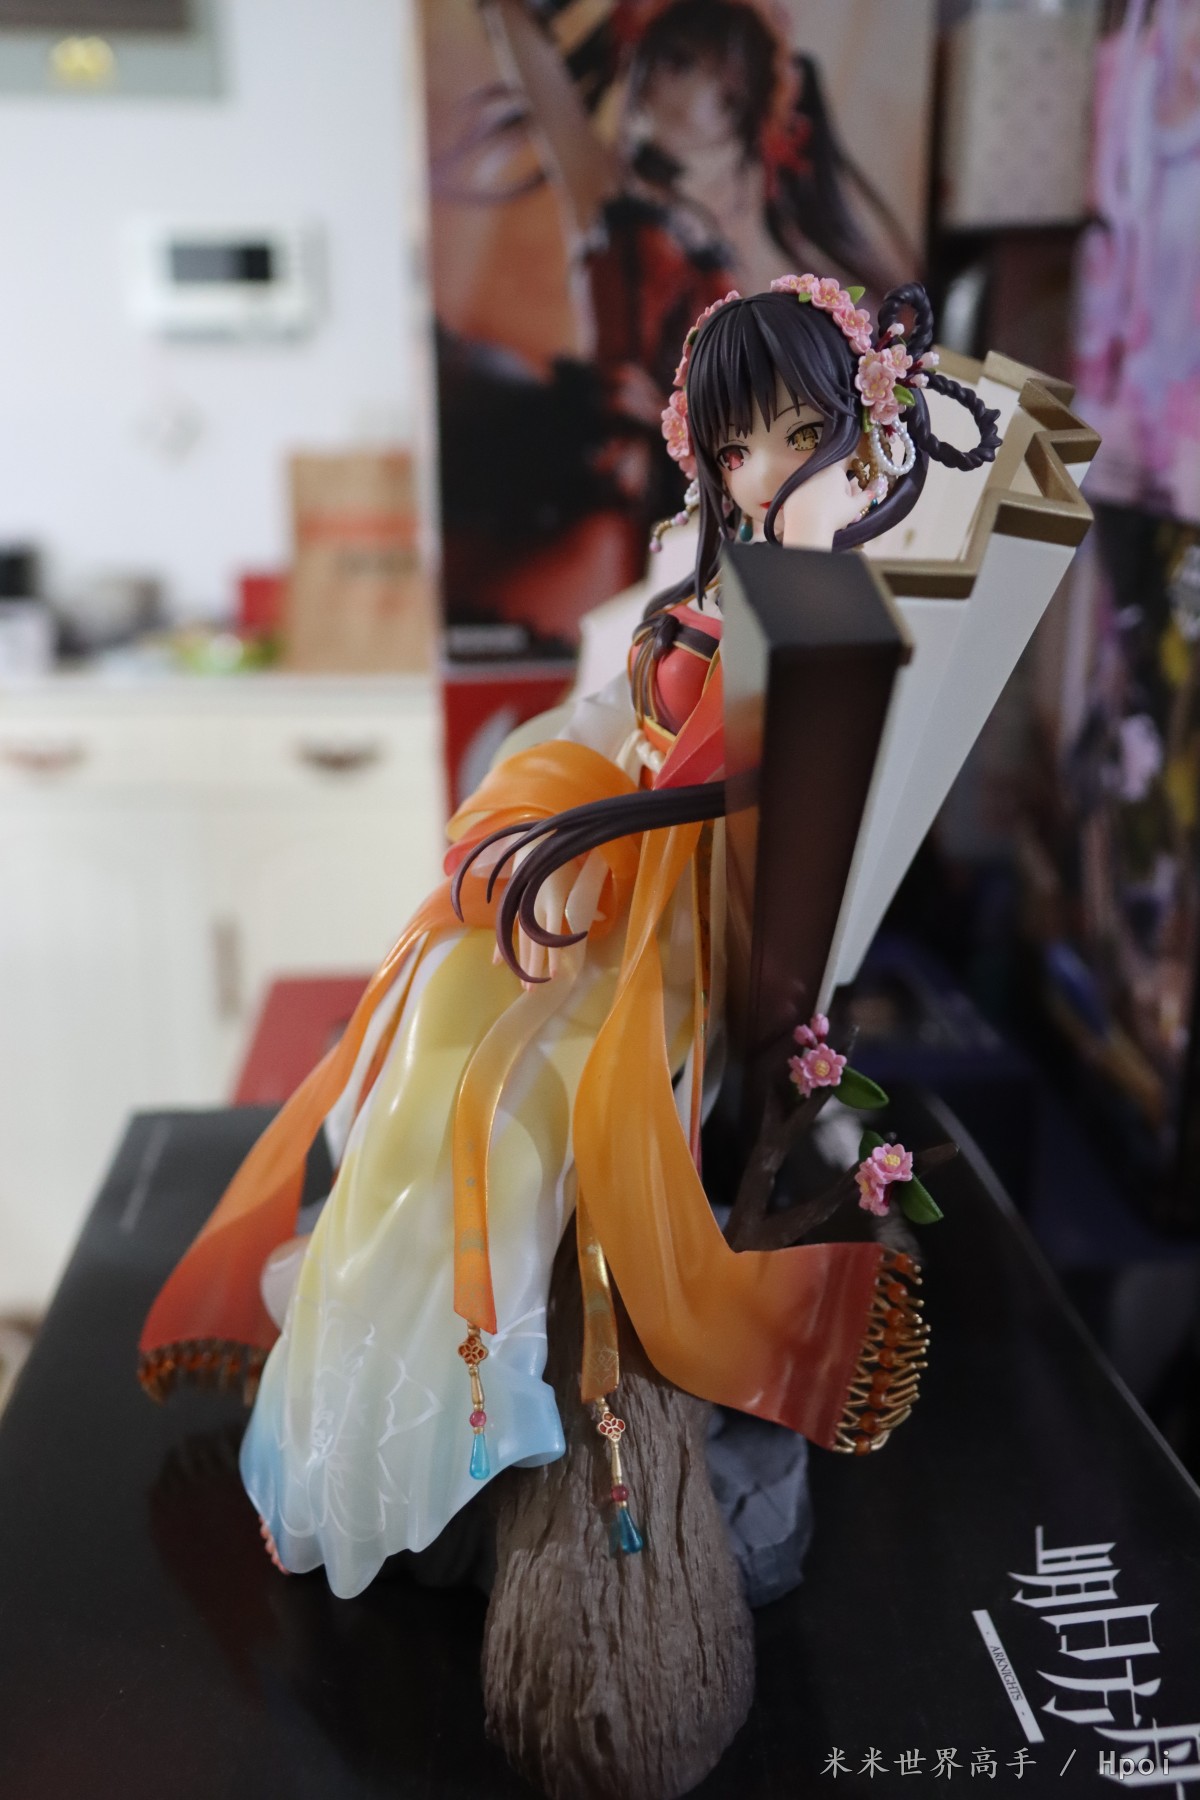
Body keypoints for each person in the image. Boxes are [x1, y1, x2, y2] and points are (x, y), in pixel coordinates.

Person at [138, 279, 999, 1598]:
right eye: (738, 447)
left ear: (859, 430)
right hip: (600, 875)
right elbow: (604, 721)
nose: (766, 472)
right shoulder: (725, 585)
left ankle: (448, 1411)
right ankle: (342, 1385)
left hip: (677, 926)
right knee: (425, 1024)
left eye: (798, 434)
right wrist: (521, 840)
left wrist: (570, 847)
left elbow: (735, 807)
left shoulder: (830, 623)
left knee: (501, 1102)